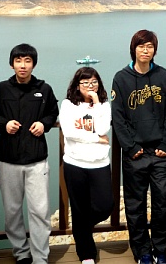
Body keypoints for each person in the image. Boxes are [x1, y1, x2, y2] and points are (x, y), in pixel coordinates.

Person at [111, 29, 166, 264]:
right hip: (134, 155)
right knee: (135, 205)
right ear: (134, 49)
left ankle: (161, 249)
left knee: (161, 204)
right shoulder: (121, 78)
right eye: (141, 46)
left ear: (154, 50)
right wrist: (130, 147)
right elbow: (118, 116)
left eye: (149, 46)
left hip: (160, 153)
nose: (145, 50)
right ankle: (142, 252)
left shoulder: (162, 75)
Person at [0, 43, 59, 264]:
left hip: (36, 160)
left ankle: (40, 257)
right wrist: (4, 124)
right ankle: (21, 253)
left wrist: (44, 124)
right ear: (11, 64)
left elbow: (53, 113)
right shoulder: (1, 89)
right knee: (12, 212)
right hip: (8, 160)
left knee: (40, 211)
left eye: (27, 61)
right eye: (18, 61)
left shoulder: (44, 89)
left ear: (33, 64)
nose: (23, 65)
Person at [59, 67, 114, 264]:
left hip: (99, 164)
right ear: (77, 85)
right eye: (85, 82)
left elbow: (103, 128)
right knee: (79, 207)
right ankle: (86, 254)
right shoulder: (68, 105)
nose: (90, 86)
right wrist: (96, 139)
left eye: (94, 82)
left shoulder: (104, 105)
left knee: (105, 206)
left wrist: (96, 102)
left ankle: (80, 228)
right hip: (75, 163)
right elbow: (69, 132)